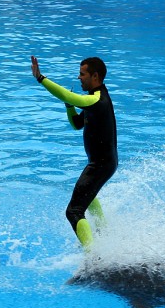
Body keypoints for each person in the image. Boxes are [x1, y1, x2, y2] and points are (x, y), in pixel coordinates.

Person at [30, 55, 118, 248]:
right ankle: (105, 234)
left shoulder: (97, 99)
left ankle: (93, 257)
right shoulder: (93, 99)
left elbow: (67, 95)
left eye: (82, 74)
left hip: (101, 164)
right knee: (89, 197)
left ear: (95, 76)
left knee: (74, 211)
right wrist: (69, 107)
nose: (79, 78)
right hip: (102, 163)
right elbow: (77, 124)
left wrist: (41, 78)